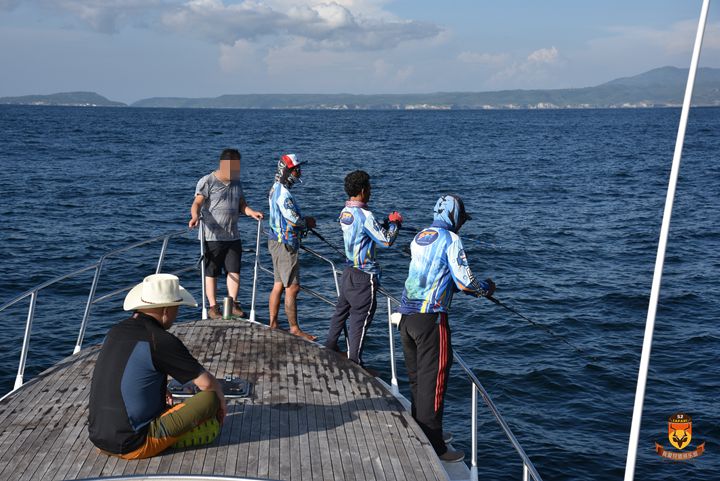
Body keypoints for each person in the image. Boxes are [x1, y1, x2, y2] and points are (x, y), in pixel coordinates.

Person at [397, 194, 495, 463]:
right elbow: (465, 282)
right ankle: (436, 446)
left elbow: (432, 275)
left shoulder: (420, 235)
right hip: (431, 321)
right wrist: (485, 288)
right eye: (461, 219)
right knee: (435, 383)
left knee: (418, 380)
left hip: (406, 318)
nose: (462, 225)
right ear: (454, 216)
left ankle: (421, 430)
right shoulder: (452, 240)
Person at [88, 273, 227, 459]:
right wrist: (221, 402)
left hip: (98, 437)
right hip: (134, 443)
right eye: (176, 308)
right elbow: (207, 384)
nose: (176, 315)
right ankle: (175, 439)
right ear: (165, 311)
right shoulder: (159, 339)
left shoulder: (115, 331)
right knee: (210, 399)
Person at [325, 170, 402, 366]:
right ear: (362, 190)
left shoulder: (345, 212)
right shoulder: (365, 215)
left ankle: (330, 346)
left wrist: (379, 224)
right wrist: (394, 225)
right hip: (364, 277)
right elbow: (386, 241)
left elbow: (363, 230)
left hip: (349, 272)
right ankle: (355, 362)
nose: (371, 190)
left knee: (341, 311)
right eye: (369, 187)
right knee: (360, 320)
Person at [189, 148, 263, 320]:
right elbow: (197, 203)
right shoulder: (208, 181)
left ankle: (234, 302)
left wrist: (251, 212)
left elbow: (241, 204)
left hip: (233, 235)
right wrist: (194, 217)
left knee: (234, 269)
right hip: (212, 236)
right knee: (211, 272)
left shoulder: (237, 182)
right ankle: (213, 307)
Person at [267, 153, 317, 340]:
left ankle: (273, 324)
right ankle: (294, 328)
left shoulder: (274, 189)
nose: (299, 172)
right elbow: (293, 220)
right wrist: (308, 222)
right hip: (286, 245)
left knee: (278, 284)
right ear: (287, 171)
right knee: (292, 287)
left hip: (276, 241)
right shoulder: (284, 194)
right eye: (296, 169)